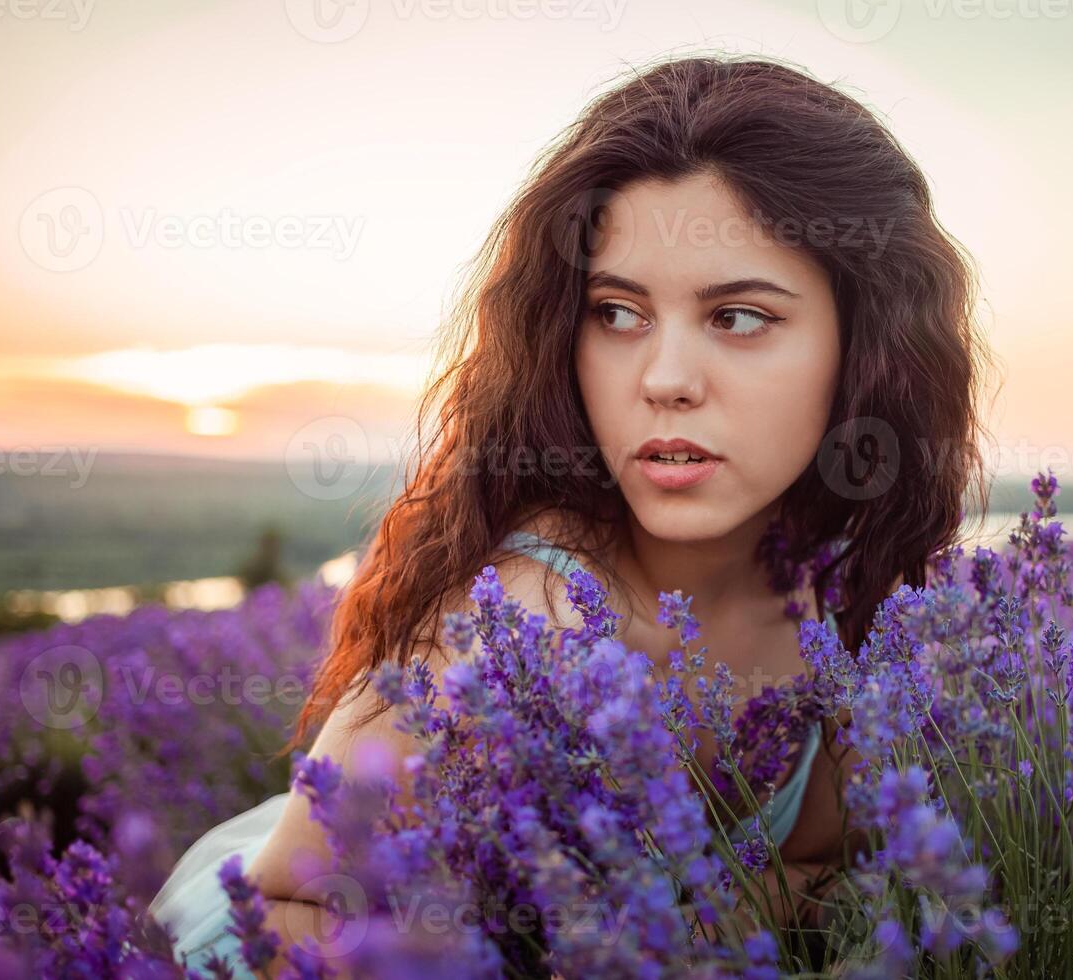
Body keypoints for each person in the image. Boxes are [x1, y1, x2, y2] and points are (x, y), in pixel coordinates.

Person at [149, 52, 990, 977]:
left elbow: (810, 863)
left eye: (740, 318)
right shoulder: (513, 628)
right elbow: (283, 902)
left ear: (862, 344)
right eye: (619, 313)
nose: (664, 380)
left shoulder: (839, 595)